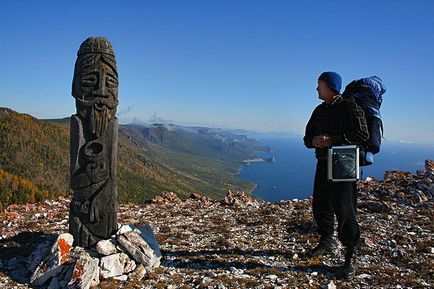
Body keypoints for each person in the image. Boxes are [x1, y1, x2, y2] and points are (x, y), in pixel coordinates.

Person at [303, 71, 369, 279]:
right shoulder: (319, 110)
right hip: (323, 163)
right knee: (320, 204)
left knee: (344, 209)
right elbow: (307, 137)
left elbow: (362, 135)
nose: (316, 89)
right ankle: (326, 242)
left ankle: (351, 255)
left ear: (330, 87)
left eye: (319, 85)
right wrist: (314, 141)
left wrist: (333, 140)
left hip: (343, 165)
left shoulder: (349, 106)